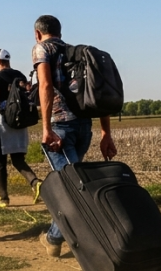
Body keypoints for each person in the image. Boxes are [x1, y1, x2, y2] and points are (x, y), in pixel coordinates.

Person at [32, 15, 117, 257]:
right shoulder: (76, 53)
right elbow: (98, 94)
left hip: (61, 129)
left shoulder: (41, 49)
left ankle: (68, 240)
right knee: (73, 185)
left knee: (72, 189)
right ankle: (54, 238)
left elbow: (45, 86)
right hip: (84, 128)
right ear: (60, 31)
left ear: (38, 33)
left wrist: (46, 128)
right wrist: (105, 134)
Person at [0, 48, 41, 208]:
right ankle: (35, 182)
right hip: (20, 120)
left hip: (5, 120)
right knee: (17, 159)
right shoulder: (20, 76)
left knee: (0, 161)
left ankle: (3, 198)